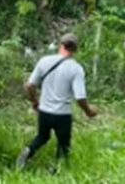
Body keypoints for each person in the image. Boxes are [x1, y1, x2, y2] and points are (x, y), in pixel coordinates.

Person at [17, 34, 98, 170]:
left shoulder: (44, 61)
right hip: (63, 114)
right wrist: (89, 111)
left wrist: (35, 101)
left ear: (61, 45)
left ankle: (29, 151)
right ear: (75, 50)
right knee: (64, 145)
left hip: (44, 111)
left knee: (42, 137)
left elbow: (30, 85)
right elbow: (80, 98)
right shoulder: (76, 69)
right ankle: (57, 170)